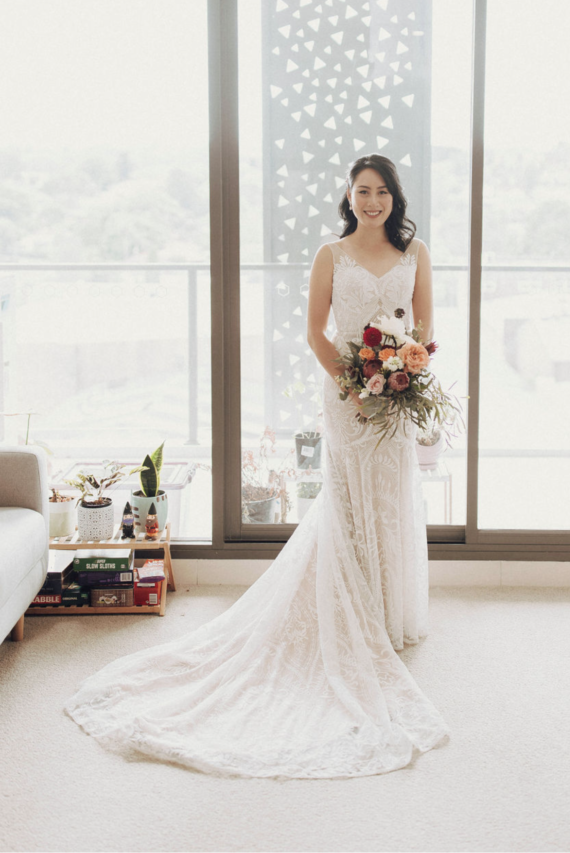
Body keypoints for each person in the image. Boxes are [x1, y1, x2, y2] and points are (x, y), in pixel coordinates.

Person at [64, 153, 448, 779]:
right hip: (349, 395)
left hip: (398, 391)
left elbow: (426, 328)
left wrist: (405, 370)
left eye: (381, 192)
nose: (371, 201)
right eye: (361, 192)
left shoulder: (416, 252)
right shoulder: (331, 254)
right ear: (348, 198)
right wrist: (354, 381)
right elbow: (315, 333)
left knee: (392, 493)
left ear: (394, 197)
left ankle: (386, 613)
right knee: (350, 496)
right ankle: (350, 611)